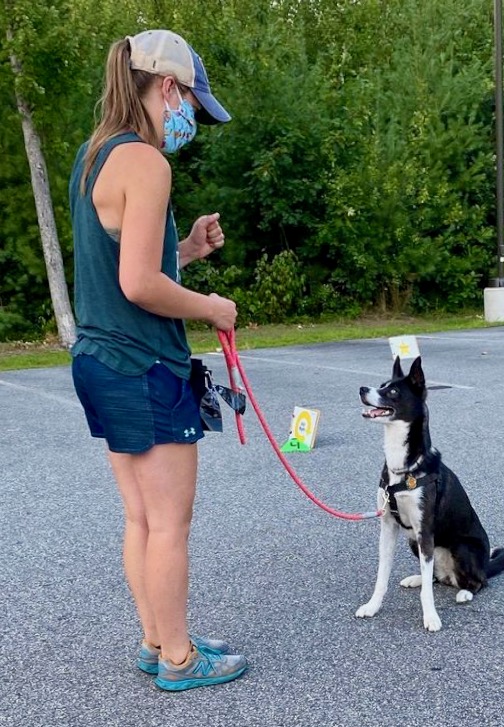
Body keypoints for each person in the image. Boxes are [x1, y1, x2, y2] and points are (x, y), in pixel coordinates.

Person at [69, 29, 247, 692]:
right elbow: (139, 284)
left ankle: (157, 637)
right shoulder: (147, 163)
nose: (189, 122)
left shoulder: (94, 156)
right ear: (166, 87)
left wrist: (190, 249)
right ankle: (179, 657)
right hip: (143, 363)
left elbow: (127, 263)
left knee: (142, 516)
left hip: (98, 358)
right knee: (170, 519)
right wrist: (211, 306)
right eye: (191, 108)